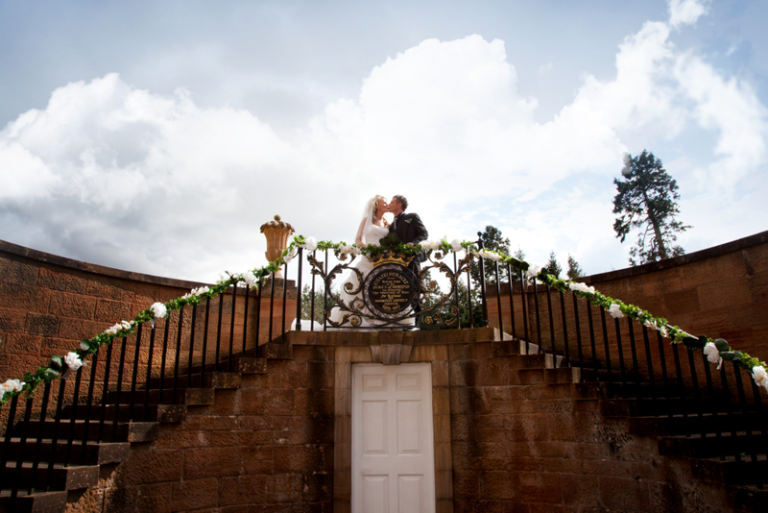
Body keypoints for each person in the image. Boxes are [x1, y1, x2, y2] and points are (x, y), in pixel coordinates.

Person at [327, 195, 391, 327]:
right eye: (384, 202)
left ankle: (382, 316)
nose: (387, 204)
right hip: (369, 257)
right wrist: (368, 247)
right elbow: (358, 240)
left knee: (383, 285)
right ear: (377, 205)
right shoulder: (367, 220)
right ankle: (361, 318)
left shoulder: (386, 223)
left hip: (384, 258)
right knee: (364, 284)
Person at [388, 195, 429, 312]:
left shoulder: (411, 217)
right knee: (402, 295)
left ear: (399, 205)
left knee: (415, 293)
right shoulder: (391, 226)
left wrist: (413, 243)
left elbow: (424, 234)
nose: (389, 204)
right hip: (397, 264)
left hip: (412, 261)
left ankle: (417, 319)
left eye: (392, 202)